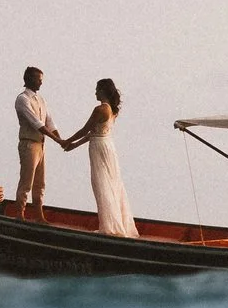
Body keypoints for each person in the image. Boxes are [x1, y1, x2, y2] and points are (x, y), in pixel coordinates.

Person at [59, 77, 137, 239]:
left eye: (97, 89)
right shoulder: (113, 110)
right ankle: (115, 223)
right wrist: (73, 145)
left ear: (103, 90)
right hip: (107, 146)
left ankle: (109, 226)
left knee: (102, 184)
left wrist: (67, 140)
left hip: (99, 148)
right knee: (112, 184)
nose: (95, 92)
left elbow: (85, 130)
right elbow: (92, 133)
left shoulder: (100, 109)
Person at [13, 66, 63, 221]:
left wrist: (61, 140)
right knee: (27, 180)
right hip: (29, 143)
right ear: (29, 79)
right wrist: (59, 141)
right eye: (38, 80)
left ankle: (38, 214)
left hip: (40, 145)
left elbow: (50, 122)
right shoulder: (23, 99)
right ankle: (20, 212)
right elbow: (37, 123)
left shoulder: (41, 100)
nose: (40, 83)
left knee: (40, 182)